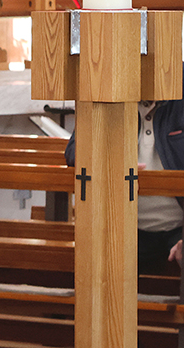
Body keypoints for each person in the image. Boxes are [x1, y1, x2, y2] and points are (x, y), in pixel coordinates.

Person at [65, 95, 184, 273]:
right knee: (94, 267)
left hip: (179, 228)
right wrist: (108, 162)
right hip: (121, 224)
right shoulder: (109, 95)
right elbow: (73, 150)